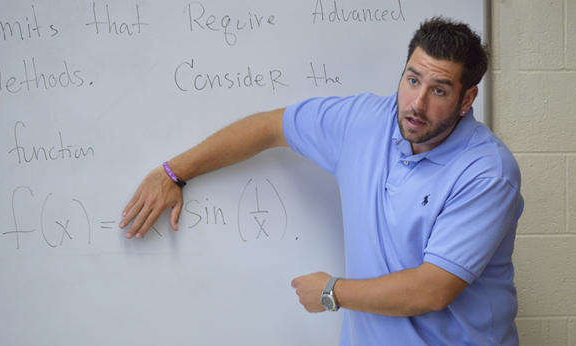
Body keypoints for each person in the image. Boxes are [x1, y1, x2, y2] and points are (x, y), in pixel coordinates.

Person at [119, 17, 523, 345]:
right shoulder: (363, 122)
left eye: (438, 90)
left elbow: (432, 290)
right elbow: (269, 127)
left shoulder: (487, 172)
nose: (416, 103)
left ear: (467, 99)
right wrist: (173, 172)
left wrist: (332, 292)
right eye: (412, 80)